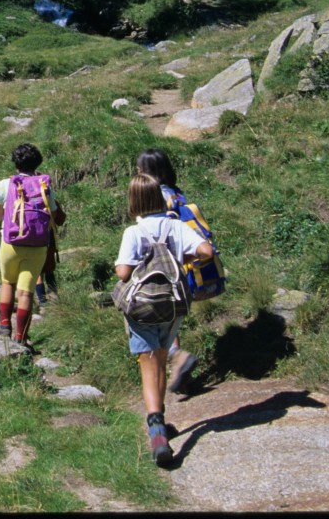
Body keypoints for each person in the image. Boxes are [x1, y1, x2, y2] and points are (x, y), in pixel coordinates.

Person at [115, 172, 213, 467]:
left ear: (133, 201)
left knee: (149, 366)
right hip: (173, 306)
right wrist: (186, 263)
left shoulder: (134, 232)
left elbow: (123, 273)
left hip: (143, 308)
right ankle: (160, 417)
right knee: (160, 358)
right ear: (159, 197)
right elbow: (206, 250)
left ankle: (156, 429)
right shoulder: (175, 225)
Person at [0, 143, 65, 343]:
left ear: (16, 163)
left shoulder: (6, 184)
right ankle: (21, 337)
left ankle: (4, 325)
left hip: (10, 243)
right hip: (38, 245)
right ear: (37, 163)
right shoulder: (43, 185)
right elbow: (56, 215)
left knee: (8, 283)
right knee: (26, 291)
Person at [136, 148, 195, 393]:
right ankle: (177, 369)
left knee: (157, 317)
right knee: (170, 315)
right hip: (180, 264)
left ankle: (175, 357)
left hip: (158, 265)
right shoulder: (176, 193)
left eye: (139, 169)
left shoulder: (155, 196)